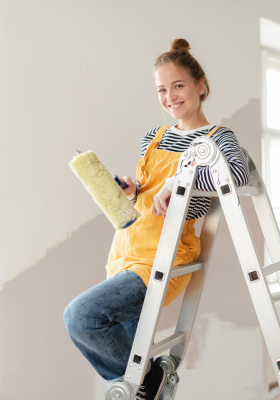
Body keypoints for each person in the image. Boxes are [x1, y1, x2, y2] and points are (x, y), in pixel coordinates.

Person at [64, 38, 249, 400]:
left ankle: (148, 385)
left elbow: (236, 176)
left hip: (164, 257)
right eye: (161, 89)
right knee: (126, 348)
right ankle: (152, 387)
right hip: (124, 253)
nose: (170, 96)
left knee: (82, 317)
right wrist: (131, 191)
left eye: (178, 85)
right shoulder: (155, 136)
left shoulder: (216, 138)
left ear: (200, 85)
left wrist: (179, 179)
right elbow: (151, 197)